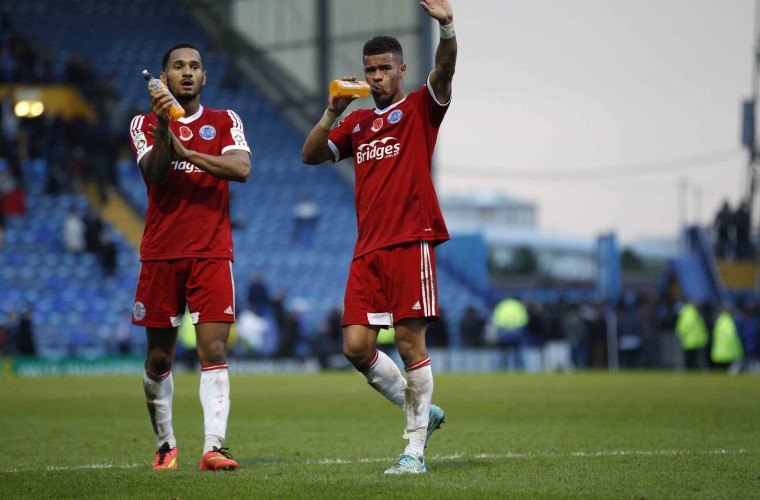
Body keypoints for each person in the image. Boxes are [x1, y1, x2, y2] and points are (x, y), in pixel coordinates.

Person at [300, 0, 456, 474]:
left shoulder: (420, 108)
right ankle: (420, 412)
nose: (377, 77)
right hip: (367, 250)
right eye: (370, 70)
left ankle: (414, 451)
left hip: (411, 242)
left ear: (403, 70)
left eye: (385, 68)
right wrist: (331, 113)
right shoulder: (357, 124)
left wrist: (447, 27)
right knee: (355, 347)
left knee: (410, 346)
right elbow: (309, 155)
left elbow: (446, 70)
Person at [128, 42, 251, 472]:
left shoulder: (224, 120)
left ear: (204, 78)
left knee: (213, 350)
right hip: (161, 254)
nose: (187, 72)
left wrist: (191, 154)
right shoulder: (143, 123)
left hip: (212, 253)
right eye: (178, 66)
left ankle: (214, 447)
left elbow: (241, 169)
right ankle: (166, 445)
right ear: (162, 79)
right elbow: (157, 172)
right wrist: (166, 126)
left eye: (194, 66)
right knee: (159, 359)